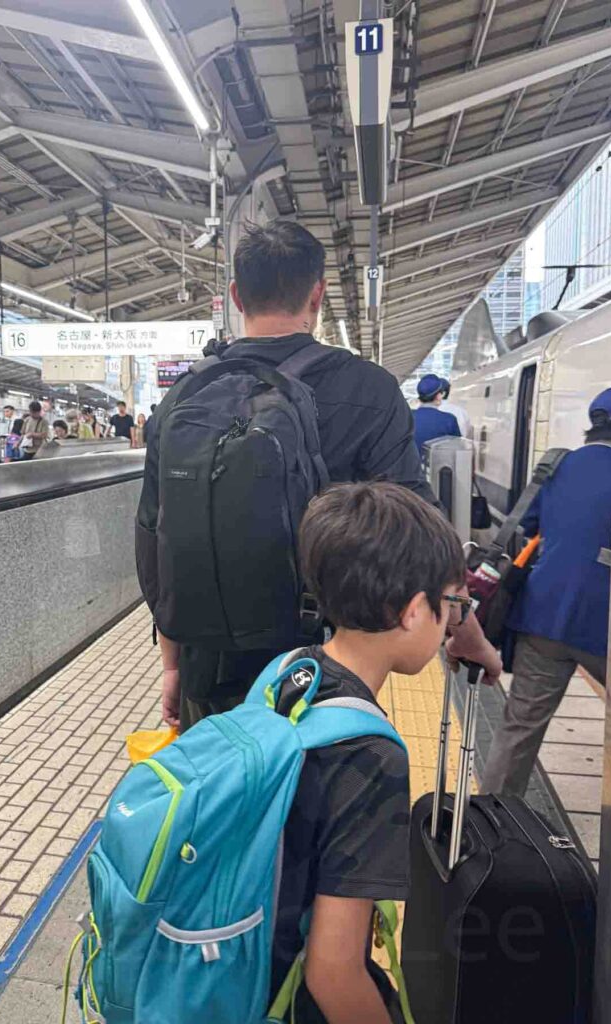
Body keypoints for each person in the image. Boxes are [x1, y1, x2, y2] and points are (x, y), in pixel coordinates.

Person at [136, 220, 500, 730]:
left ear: (238, 295)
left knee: (222, 803)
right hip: (324, 670)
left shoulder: (184, 396)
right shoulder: (369, 389)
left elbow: (156, 539)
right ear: (318, 294)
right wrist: (466, 632)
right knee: (317, 804)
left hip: (207, 664)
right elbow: (418, 538)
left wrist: (172, 664)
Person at [268, 481, 467, 1024]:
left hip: (251, 954)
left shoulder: (291, 669)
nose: (454, 622)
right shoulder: (372, 756)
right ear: (410, 612)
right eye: (453, 603)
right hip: (288, 998)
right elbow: (333, 973)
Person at [481, 384, 611, 797]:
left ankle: (489, 820)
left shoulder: (556, 465)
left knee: (520, 727)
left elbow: (529, 527)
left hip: (543, 616)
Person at [412, 374, 461, 455]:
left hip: (410, 467)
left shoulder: (407, 417)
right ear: (438, 396)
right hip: (437, 466)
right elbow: (458, 451)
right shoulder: (449, 420)